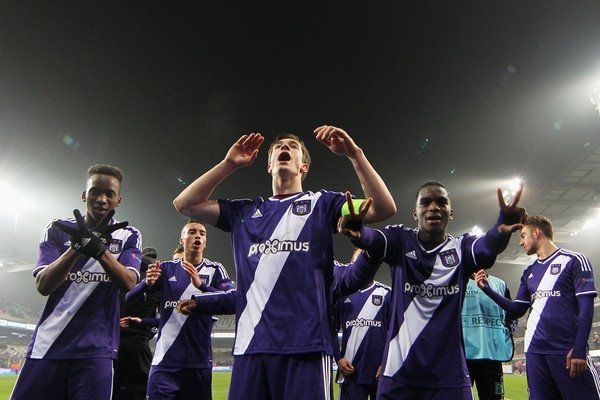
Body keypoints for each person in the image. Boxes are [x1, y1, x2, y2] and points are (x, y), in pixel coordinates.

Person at [172, 125, 396, 400]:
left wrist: (355, 154)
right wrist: (228, 164)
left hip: (307, 347)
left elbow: (383, 208)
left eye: (293, 147)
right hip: (250, 347)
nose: (285, 148)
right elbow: (184, 204)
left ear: (304, 167)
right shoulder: (244, 212)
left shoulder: (323, 205)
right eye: (278, 147)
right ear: (269, 166)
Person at [337, 180, 525, 399]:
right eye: (425, 202)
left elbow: (486, 248)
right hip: (398, 374)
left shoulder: (462, 248)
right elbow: (374, 240)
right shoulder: (400, 240)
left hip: (450, 377)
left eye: (441, 202)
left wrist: (501, 230)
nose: (433, 207)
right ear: (415, 213)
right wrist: (360, 232)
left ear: (450, 213)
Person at [10, 164, 142, 400]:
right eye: (95, 192)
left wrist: (99, 250)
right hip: (49, 343)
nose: (101, 199)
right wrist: (77, 247)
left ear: (118, 200)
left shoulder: (128, 235)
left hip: (96, 349)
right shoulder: (58, 229)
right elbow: (43, 285)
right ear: (84, 195)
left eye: (109, 194)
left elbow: (129, 282)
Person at [475, 215, 600, 400]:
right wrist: (487, 290)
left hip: (566, 351)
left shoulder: (574, 260)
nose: (520, 242)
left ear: (536, 232)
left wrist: (580, 347)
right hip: (534, 351)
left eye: (523, 235)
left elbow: (586, 306)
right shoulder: (529, 272)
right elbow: (517, 310)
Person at [126, 219, 234, 400]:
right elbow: (130, 297)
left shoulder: (215, 269)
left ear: (205, 242)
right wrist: (147, 283)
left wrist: (202, 286)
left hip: (198, 363)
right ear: (182, 240)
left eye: (202, 233)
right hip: (165, 362)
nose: (197, 236)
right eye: (192, 232)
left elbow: (232, 300)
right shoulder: (166, 268)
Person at [334, 272, 392, 400]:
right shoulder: (340, 295)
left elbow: (397, 331)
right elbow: (331, 331)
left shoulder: (386, 293)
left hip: (380, 371)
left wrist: (388, 362)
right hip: (350, 371)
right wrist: (338, 359)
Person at [113, 247, 161, 400]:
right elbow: (166, 318)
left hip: (115, 342)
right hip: (140, 343)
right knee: (138, 392)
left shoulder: (124, 275)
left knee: (112, 391)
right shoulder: (159, 279)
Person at [461, 269, 516, 400]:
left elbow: (512, 314)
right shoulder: (457, 283)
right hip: (463, 356)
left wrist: (507, 332)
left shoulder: (500, 284)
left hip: (492, 356)